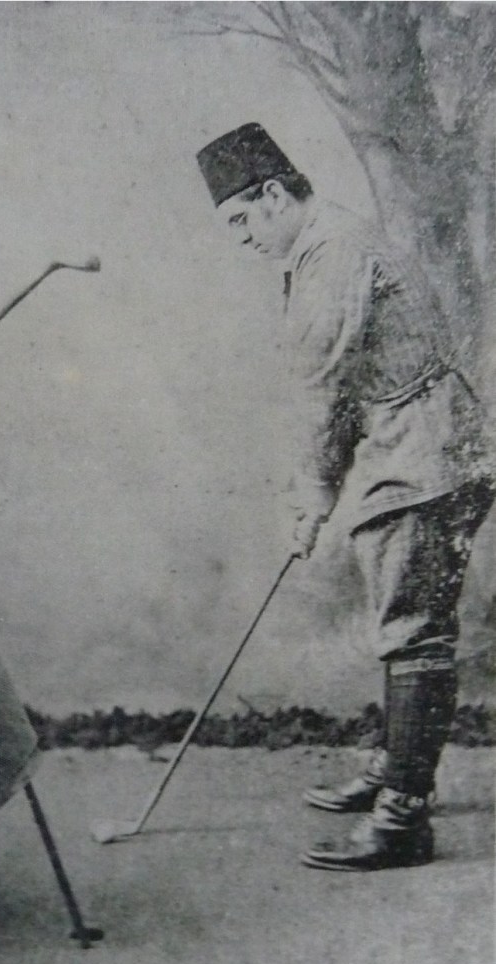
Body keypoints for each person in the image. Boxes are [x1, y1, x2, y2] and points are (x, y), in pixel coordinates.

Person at [196, 123, 494, 871]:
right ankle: (394, 770)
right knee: (405, 617)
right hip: (418, 441)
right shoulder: (324, 241)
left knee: (413, 629)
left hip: (425, 452)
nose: (237, 238)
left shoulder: (332, 253)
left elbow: (320, 393)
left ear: (272, 195)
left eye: (240, 219)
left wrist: (309, 499)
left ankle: (402, 820)